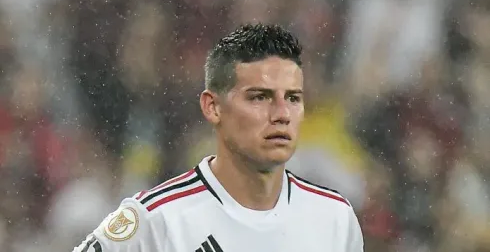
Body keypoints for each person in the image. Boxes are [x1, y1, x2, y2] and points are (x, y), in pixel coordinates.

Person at [73, 23, 364, 252]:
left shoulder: (335, 218)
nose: (281, 114)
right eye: (259, 97)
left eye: (292, 98)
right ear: (213, 108)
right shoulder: (154, 219)